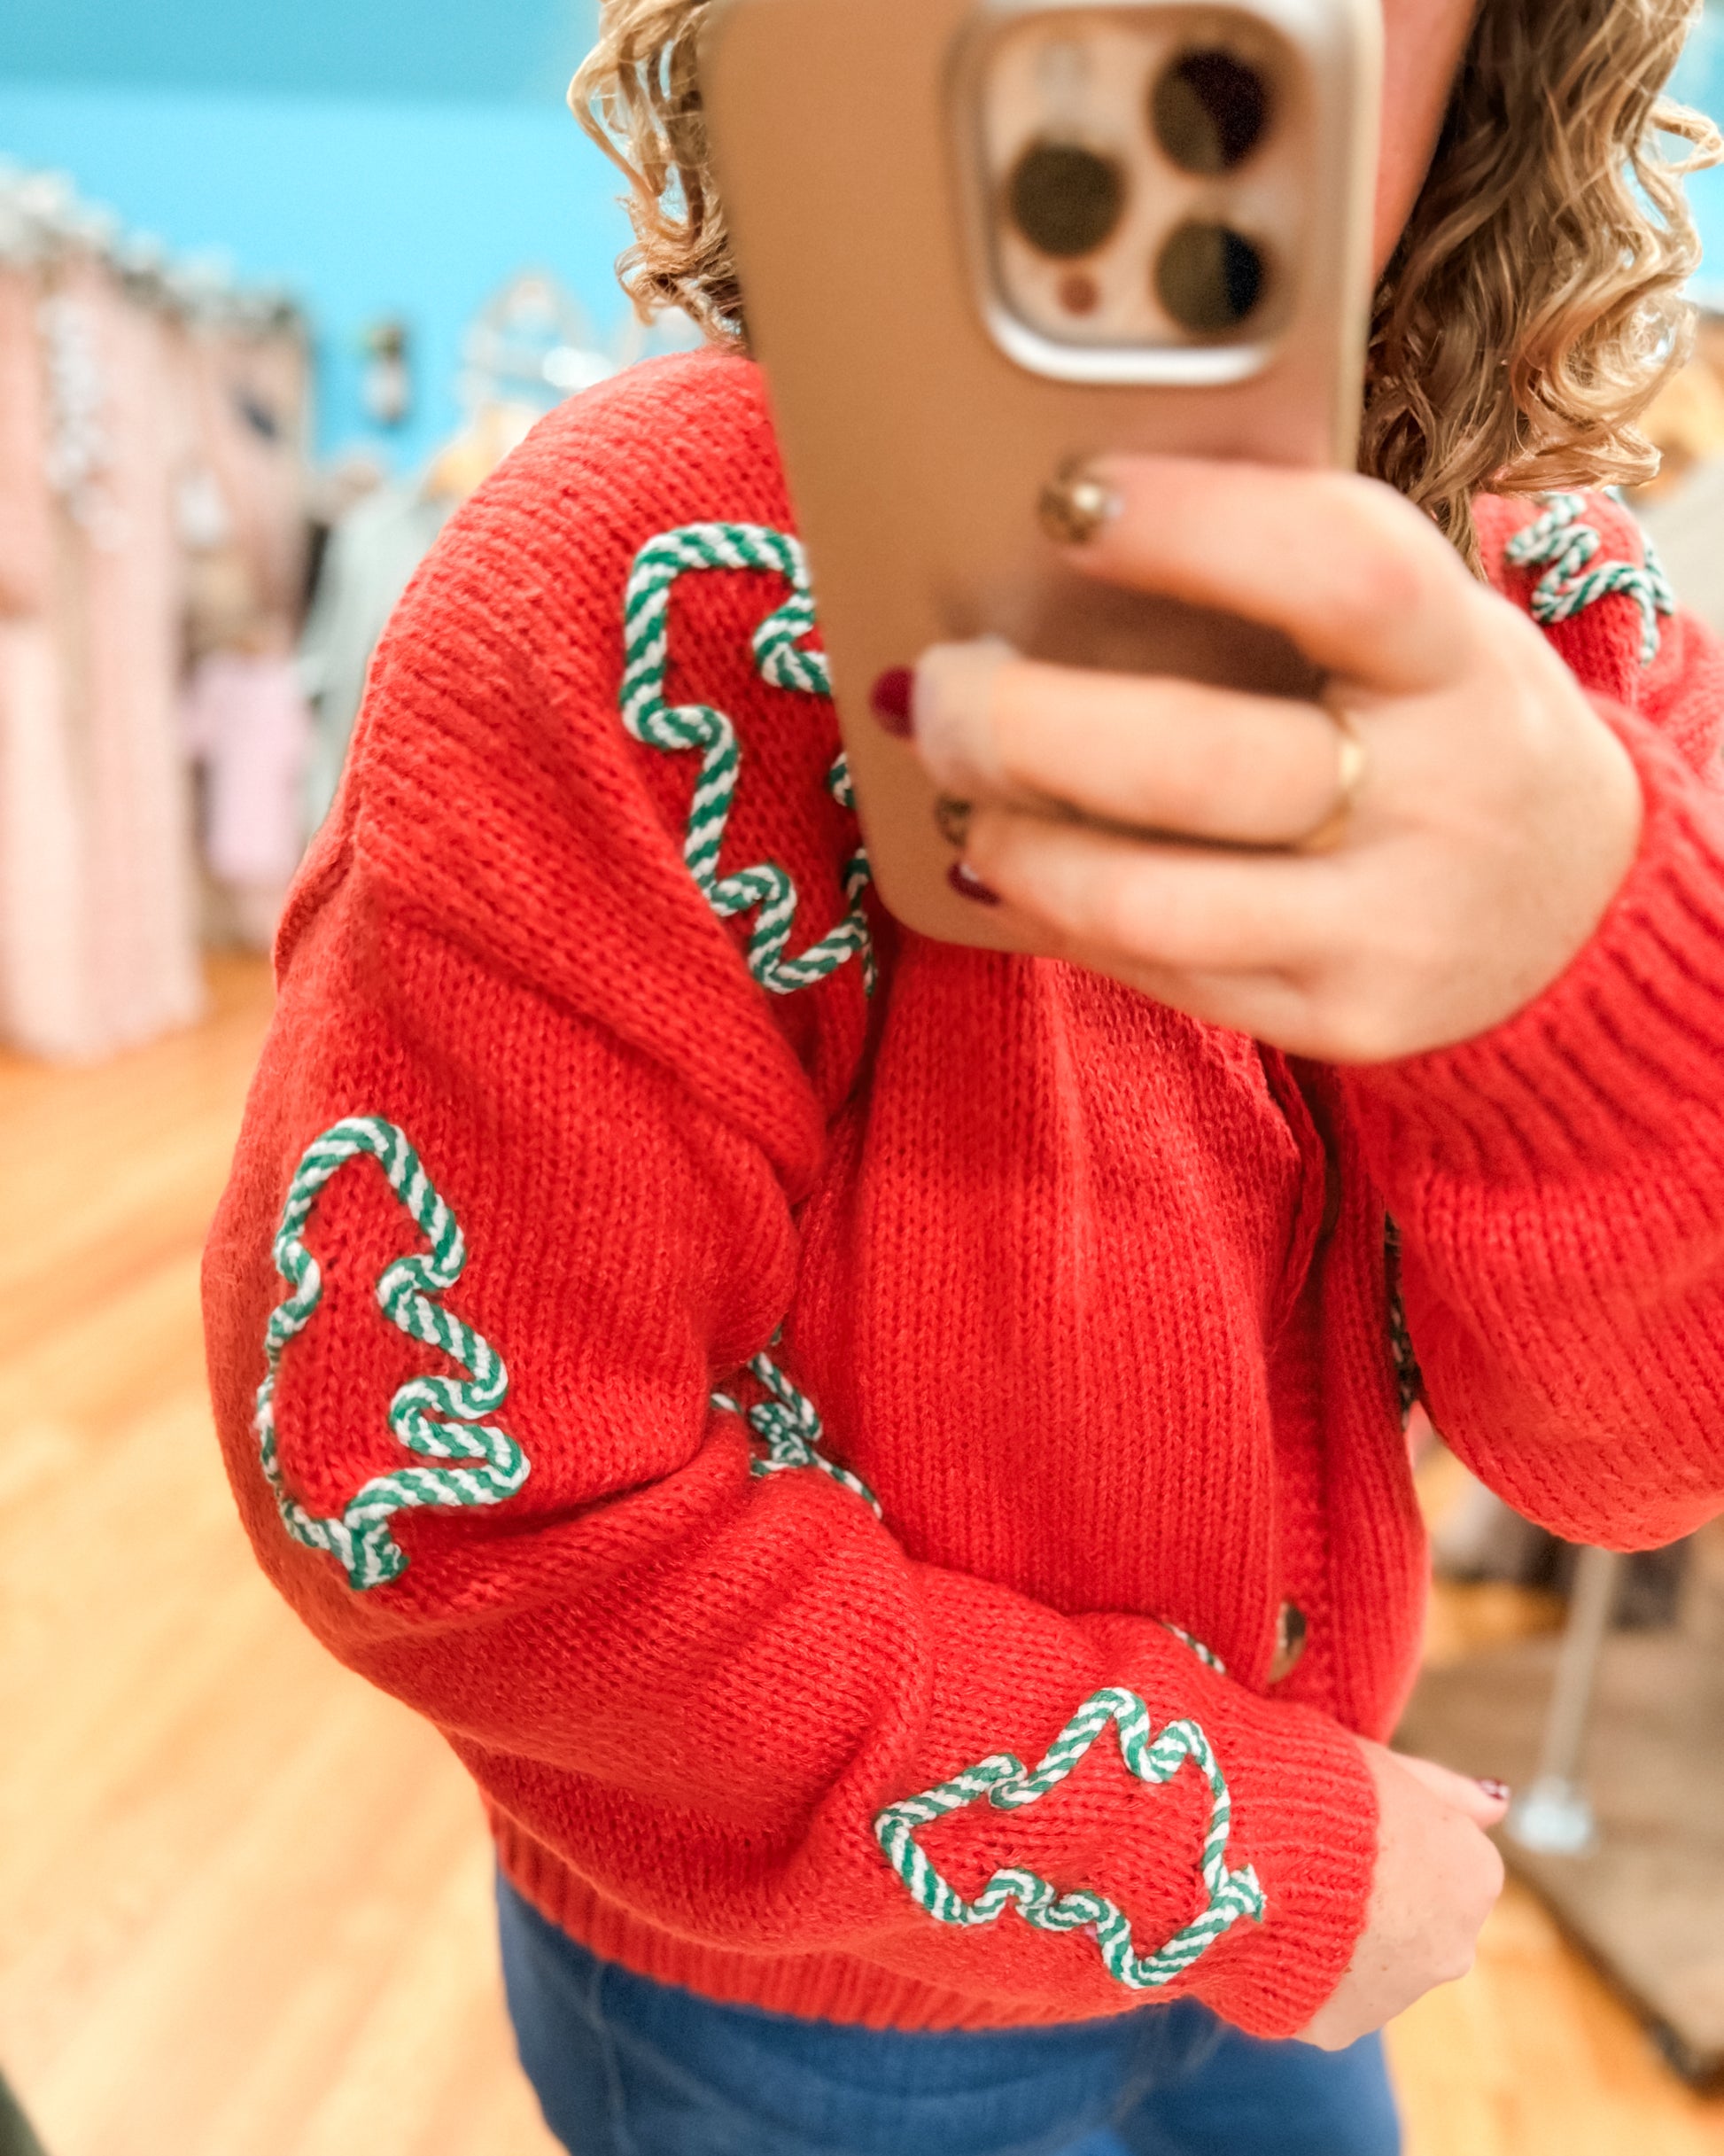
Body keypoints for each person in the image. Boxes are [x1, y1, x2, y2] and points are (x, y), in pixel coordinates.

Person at [200, 2, 1724, 2151]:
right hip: (813, 2005)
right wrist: (1249, 1850)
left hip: (1275, 1918)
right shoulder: (623, 588)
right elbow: (448, 1489)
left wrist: (1574, 968)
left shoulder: (1556, 614)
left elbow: (1630, 1460)